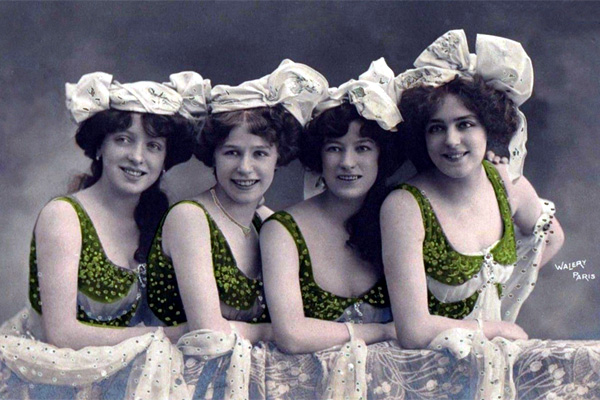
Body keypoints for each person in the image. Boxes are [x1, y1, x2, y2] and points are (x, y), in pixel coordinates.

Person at [0, 71, 208, 399]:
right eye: (123, 139)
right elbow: (61, 334)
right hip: (55, 381)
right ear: (100, 146)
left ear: (164, 160)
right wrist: (164, 336)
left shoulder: (162, 222)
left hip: (126, 378)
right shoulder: (64, 216)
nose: (137, 157)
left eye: (153, 146)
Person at [380, 30, 565, 398]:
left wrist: (502, 289)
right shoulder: (404, 206)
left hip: (492, 373)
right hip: (423, 377)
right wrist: (498, 329)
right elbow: (413, 330)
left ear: (488, 128)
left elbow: (552, 237)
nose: (451, 140)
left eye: (465, 124)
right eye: (437, 128)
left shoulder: (505, 183)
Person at [145, 60, 328, 399]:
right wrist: (283, 331)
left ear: (278, 157)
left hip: (245, 378)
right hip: (179, 382)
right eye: (232, 152)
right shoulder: (190, 218)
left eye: (260, 153)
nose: (245, 168)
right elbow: (209, 334)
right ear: (213, 156)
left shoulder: (268, 222)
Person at [260, 58, 402, 398]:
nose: (347, 163)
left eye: (363, 148)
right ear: (318, 157)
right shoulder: (283, 231)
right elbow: (291, 335)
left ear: (381, 156)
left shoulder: (400, 217)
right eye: (334, 149)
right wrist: (383, 332)